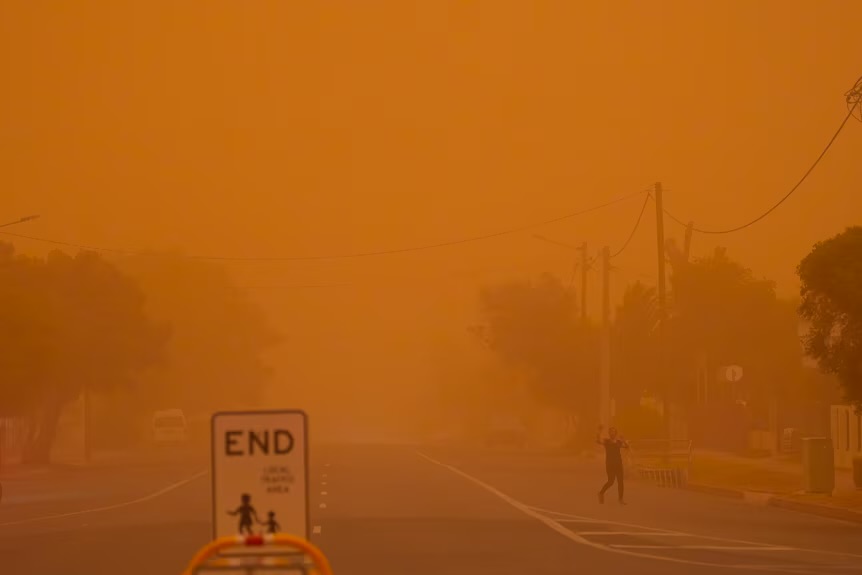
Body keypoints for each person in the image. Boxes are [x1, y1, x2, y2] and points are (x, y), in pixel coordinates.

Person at [596, 424, 629, 504]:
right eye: (611, 432)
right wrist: (599, 431)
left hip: (618, 464)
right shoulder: (606, 441)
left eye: (614, 432)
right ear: (609, 433)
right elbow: (598, 441)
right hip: (610, 464)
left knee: (620, 482)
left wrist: (623, 440)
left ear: (616, 433)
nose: (612, 433)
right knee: (611, 481)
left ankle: (620, 499)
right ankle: (601, 493)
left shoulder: (618, 442)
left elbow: (626, 446)